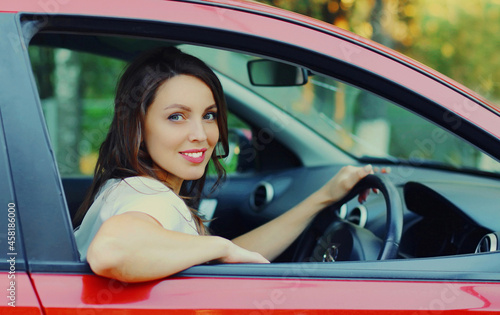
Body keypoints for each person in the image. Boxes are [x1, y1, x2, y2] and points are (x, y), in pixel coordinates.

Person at [73, 47, 374, 283]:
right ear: (137, 128)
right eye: (176, 117)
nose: (201, 135)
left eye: (208, 115)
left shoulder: (126, 186)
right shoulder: (152, 199)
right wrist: (221, 247)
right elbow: (110, 251)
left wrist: (323, 198)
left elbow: (223, 258)